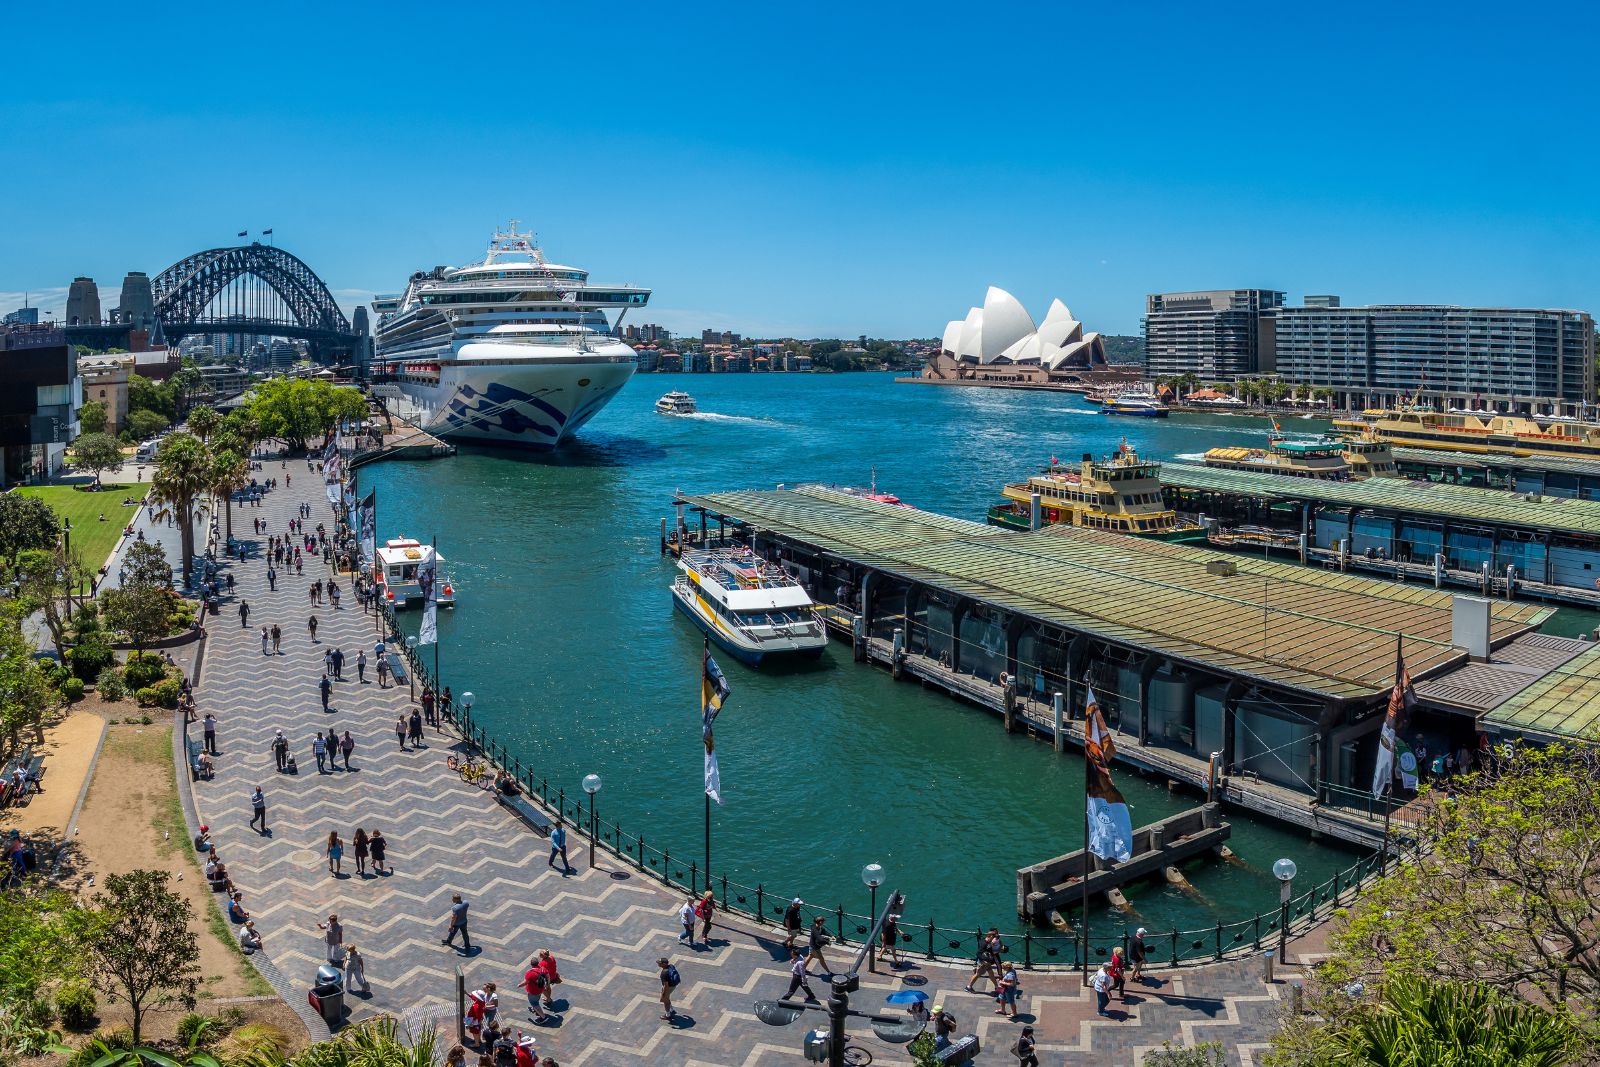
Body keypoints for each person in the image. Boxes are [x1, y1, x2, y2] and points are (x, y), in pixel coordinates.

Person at [521, 959, 551, 1024]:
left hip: (533, 992)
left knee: (534, 1003)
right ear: (538, 963)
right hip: (540, 989)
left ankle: (543, 1017)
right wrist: (547, 985)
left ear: (531, 965)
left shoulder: (530, 972)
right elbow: (548, 977)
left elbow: (525, 982)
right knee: (536, 1000)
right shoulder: (543, 969)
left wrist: (519, 985)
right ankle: (539, 1009)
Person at [657, 957, 680, 1022]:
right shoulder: (671, 966)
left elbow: (666, 985)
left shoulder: (664, 973)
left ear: (664, 964)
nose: (658, 964)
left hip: (668, 987)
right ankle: (671, 1010)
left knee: (665, 1001)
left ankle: (668, 1015)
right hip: (673, 985)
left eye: (659, 963)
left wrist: (663, 993)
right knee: (667, 998)